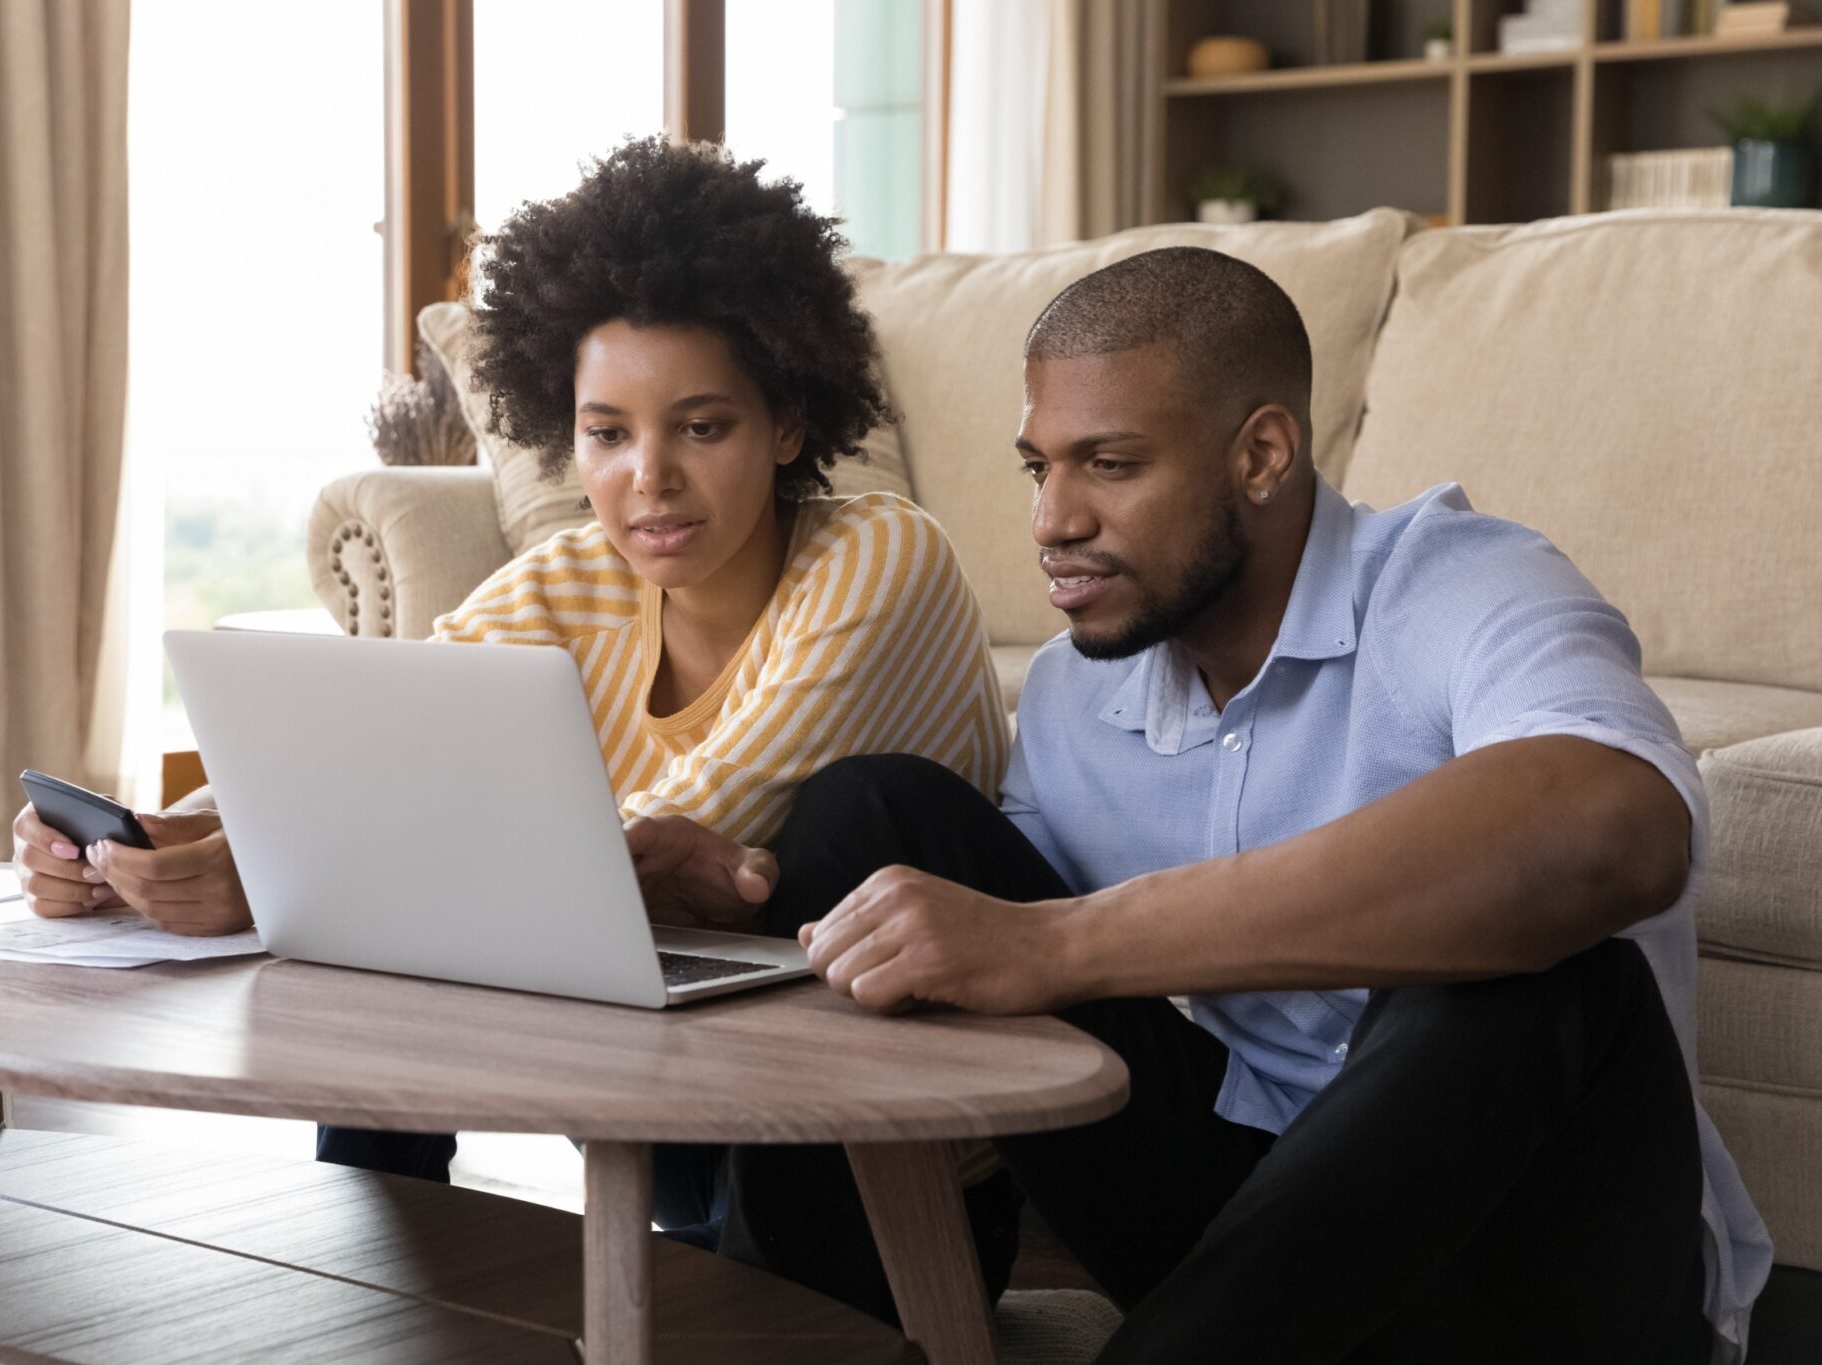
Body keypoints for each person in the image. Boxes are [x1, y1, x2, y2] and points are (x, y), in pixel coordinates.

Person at [682, 247, 1768, 1360]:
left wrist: (1058, 943)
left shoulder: (1464, 584)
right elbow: (970, 943)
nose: (1052, 519)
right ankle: (812, 1338)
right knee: (870, 818)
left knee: (1531, 973)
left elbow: (1609, 830)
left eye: (1107, 464)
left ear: (1259, 453)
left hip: (1526, 1271)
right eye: (1037, 468)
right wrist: (729, 891)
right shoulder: (1075, 687)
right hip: (1254, 1233)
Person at [5, 135, 1015, 1275]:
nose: (650, 478)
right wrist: (140, 851)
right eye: (607, 433)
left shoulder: (880, 558)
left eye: (702, 425)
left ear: (786, 424)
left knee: (421, 882)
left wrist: (289, 864)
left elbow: (659, 831)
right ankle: (372, 1278)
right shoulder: (569, 580)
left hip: (892, 1176)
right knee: (388, 908)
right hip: (677, 1090)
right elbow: (368, 758)